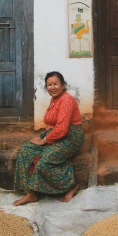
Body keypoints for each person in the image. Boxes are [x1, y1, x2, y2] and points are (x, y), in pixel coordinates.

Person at [13, 71, 84, 206]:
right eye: (49, 85)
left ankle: (71, 187)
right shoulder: (54, 99)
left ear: (62, 85)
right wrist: (43, 136)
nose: (52, 87)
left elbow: (62, 129)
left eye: (55, 84)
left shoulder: (67, 100)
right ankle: (31, 193)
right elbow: (53, 124)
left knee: (43, 163)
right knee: (25, 151)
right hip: (55, 135)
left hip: (70, 138)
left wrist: (44, 140)